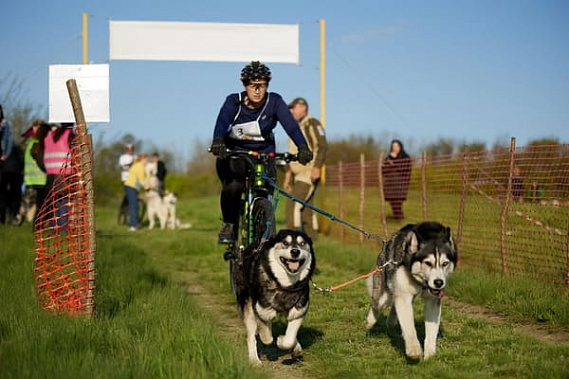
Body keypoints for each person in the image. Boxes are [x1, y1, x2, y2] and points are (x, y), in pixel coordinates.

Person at [210, 61, 313, 244]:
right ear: (245, 85)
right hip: (236, 154)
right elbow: (222, 120)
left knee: (267, 190)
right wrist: (218, 140)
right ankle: (229, 224)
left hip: (264, 155)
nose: (257, 91)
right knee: (234, 187)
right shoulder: (234, 101)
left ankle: (262, 235)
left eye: (262, 86)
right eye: (253, 85)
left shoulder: (274, 102)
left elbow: (291, 125)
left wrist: (303, 147)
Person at [283, 97, 327, 240]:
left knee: (293, 204)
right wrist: (288, 176)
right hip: (298, 174)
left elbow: (322, 146)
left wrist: (317, 167)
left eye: (293, 107)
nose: (290, 111)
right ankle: (312, 239)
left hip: (308, 173)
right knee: (307, 209)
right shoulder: (294, 128)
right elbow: (291, 154)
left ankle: (292, 238)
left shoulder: (312, 124)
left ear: (303, 108)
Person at [41, 122, 75, 232]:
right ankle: (63, 229)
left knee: (55, 202)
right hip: (64, 173)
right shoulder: (70, 135)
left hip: (50, 173)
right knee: (64, 202)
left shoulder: (50, 135)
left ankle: (54, 228)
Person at [14, 120, 48, 225]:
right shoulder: (38, 142)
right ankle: (22, 222)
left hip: (35, 179)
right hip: (37, 179)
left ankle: (18, 222)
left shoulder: (32, 142)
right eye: (34, 127)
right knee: (33, 203)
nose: (35, 129)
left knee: (28, 203)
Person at [382, 139, 412, 220]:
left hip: (400, 184)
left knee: (398, 202)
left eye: (396, 146)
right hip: (390, 185)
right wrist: (389, 162)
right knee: (393, 203)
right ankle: (396, 218)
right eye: (393, 146)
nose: (394, 148)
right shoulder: (388, 157)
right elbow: (383, 170)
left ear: (400, 147)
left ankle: (399, 218)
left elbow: (406, 169)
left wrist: (394, 164)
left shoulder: (405, 157)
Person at [123, 153, 148, 231]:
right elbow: (141, 180)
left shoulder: (137, 164)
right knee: (134, 206)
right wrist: (147, 187)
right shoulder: (140, 166)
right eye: (146, 159)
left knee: (135, 206)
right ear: (142, 159)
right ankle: (133, 226)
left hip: (130, 187)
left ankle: (135, 224)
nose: (147, 161)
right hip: (131, 187)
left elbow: (146, 176)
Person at [119, 144, 135, 211]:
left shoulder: (135, 157)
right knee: (128, 193)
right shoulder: (123, 157)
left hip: (134, 178)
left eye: (131, 150)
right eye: (129, 149)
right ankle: (124, 206)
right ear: (126, 150)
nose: (130, 151)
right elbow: (122, 166)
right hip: (126, 178)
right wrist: (130, 165)